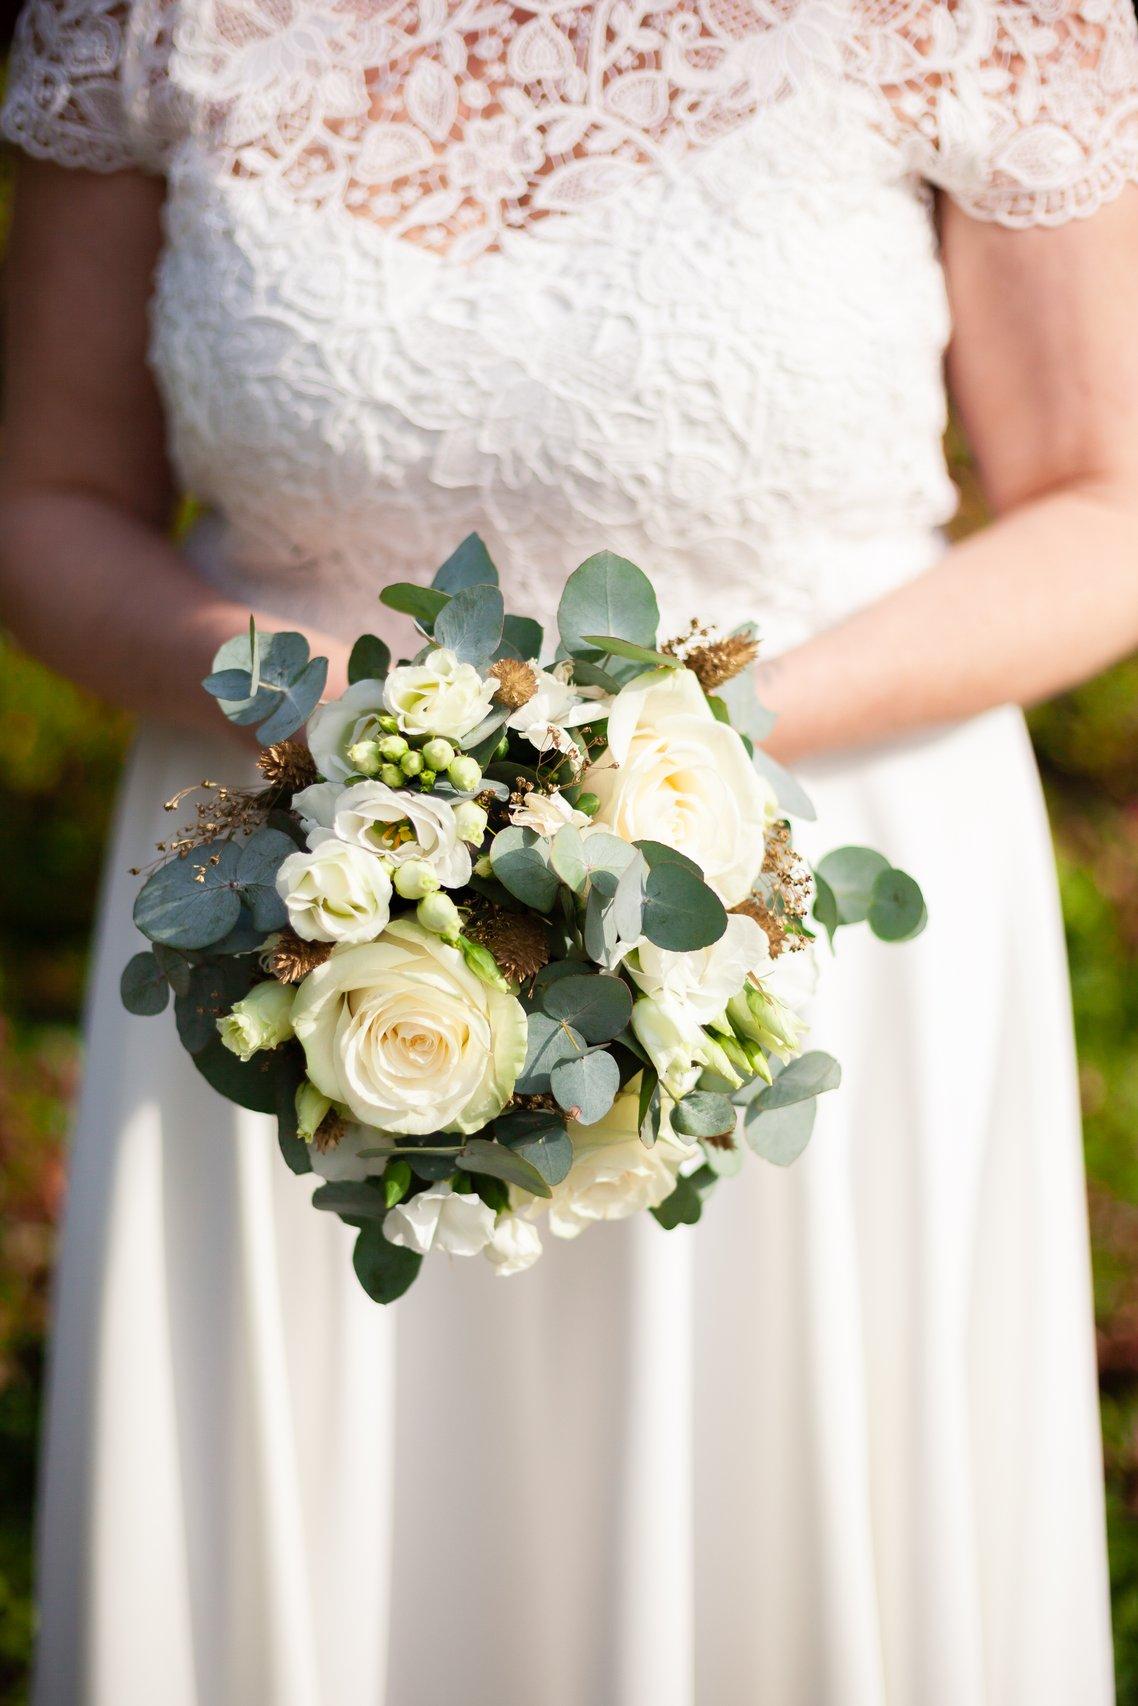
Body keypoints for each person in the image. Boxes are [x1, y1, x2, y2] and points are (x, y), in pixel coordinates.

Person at [3, 4, 1138, 1702]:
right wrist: (339, 736)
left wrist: (669, 750)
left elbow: (1100, 504)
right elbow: (47, 499)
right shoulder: (144, 22)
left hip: (794, 895)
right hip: (297, 901)